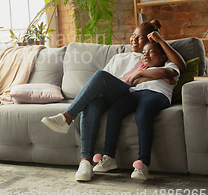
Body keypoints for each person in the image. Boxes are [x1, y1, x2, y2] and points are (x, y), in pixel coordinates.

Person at [41, 19, 186, 181]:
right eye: (133, 35)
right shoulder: (119, 57)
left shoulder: (150, 58)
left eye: (140, 37)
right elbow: (101, 82)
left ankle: (67, 117)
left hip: (127, 93)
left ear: (150, 41)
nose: (134, 39)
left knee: (101, 76)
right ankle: (86, 162)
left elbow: (172, 70)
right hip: (111, 92)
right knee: (93, 101)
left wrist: (143, 74)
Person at [93, 41, 179, 180]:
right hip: (135, 93)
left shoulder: (170, 65)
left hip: (157, 94)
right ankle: (109, 156)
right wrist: (148, 75)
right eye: (144, 52)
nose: (145, 54)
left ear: (162, 57)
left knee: (142, 115)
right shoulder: (140, 68)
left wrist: (142, 74)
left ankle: (143, 164)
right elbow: (134, 82)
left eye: (151, 51)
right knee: (114, 111)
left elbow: (165, 72)